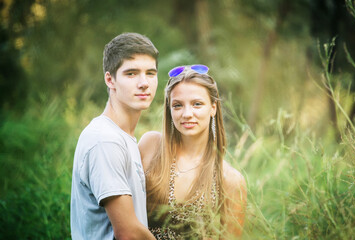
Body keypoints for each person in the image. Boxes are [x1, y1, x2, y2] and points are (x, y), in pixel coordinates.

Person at [139, 64, 247, 239]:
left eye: (197, 104)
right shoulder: (150, 146)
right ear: (170, 109)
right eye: (177, 105)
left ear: (213, 108)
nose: (187, 114)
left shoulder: (229, 180)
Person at [70, 32, 158, 240]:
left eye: (151, 73)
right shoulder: (105, 140)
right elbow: (128, 233)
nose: (144, 83)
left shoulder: (122, 137)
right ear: (110, 80)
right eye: (131, 73)